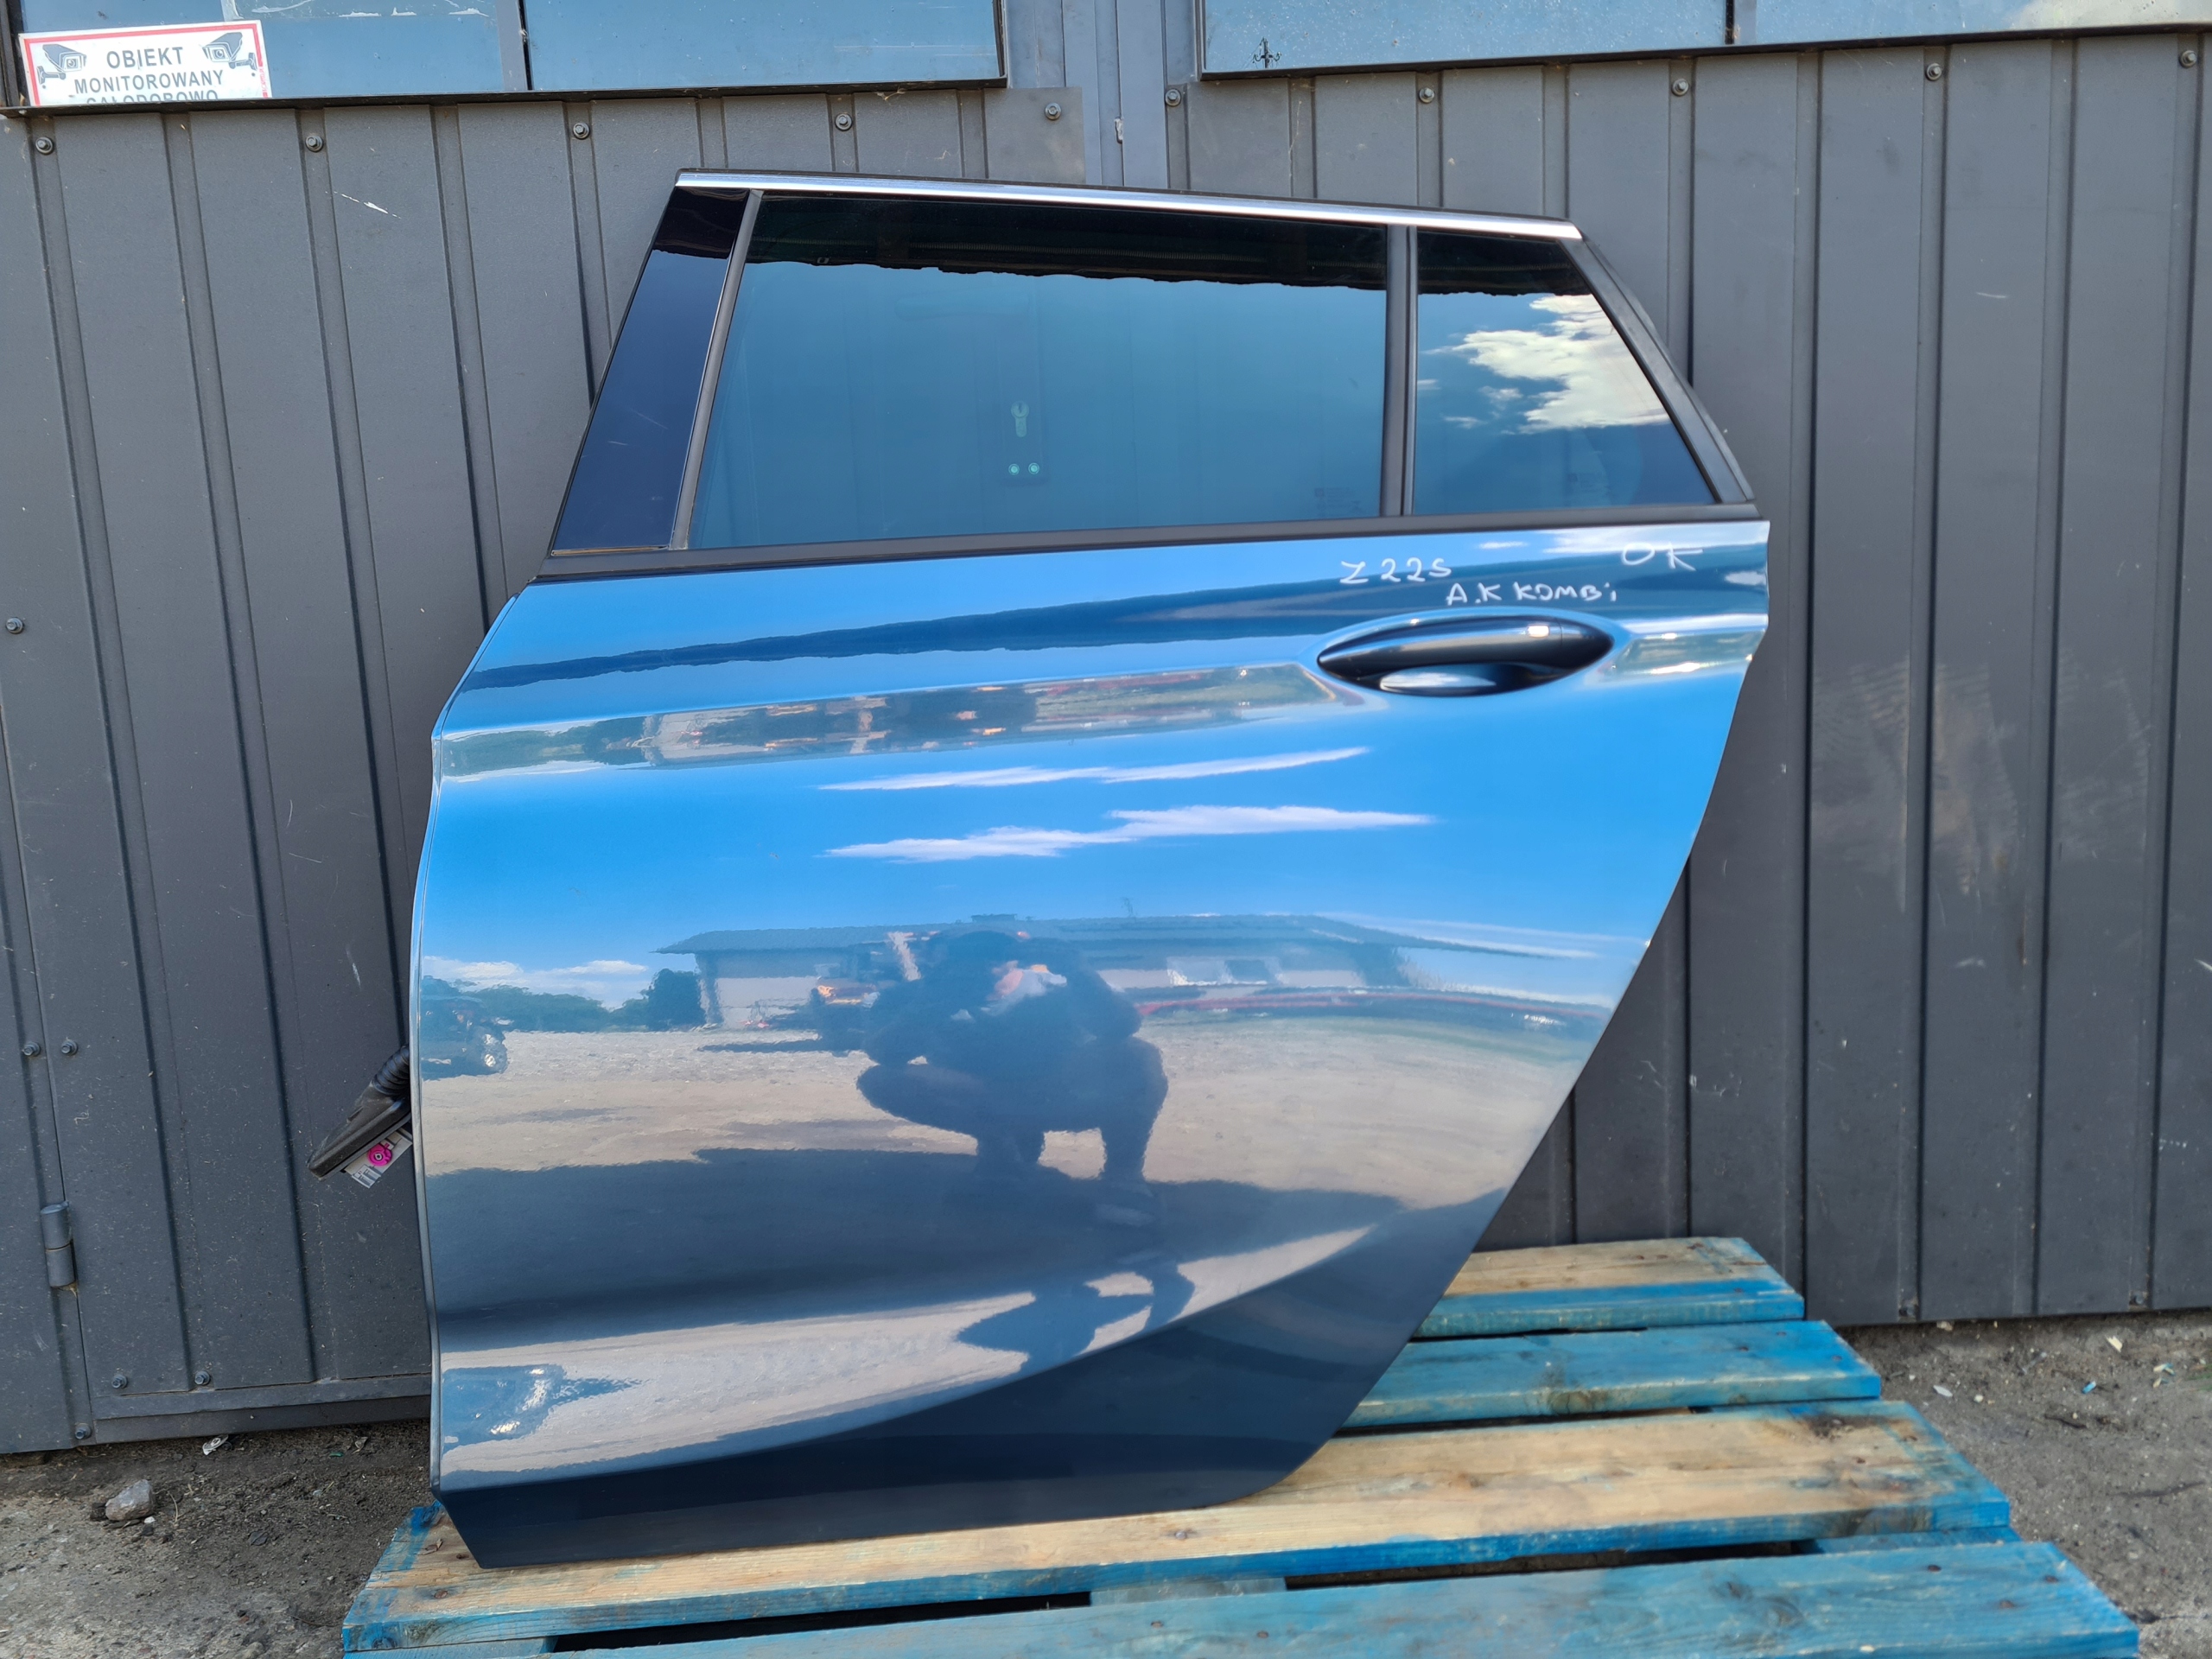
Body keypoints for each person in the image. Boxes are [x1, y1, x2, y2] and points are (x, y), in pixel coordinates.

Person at [856, 930, 1166, 1214]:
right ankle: (1003, 1150)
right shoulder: (913, 997)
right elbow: (885, 1054)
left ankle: (1124, 1176)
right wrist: (932, 1002)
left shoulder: (1057, 986)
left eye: (993, 946)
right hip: (978, 1095)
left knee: (1138, 1055)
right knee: (882, 1081)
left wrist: (1079, 972)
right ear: (933, 956)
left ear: (1020, 952)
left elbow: (1121, 1028)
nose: (980, 956)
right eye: (964, 949)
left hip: (1064, 1090)